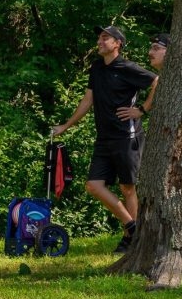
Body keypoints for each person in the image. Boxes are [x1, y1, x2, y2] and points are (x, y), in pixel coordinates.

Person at [52, 25, 157, 254]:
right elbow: (87, 100)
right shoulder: (97, 67)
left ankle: (130, 239)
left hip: (127, 136)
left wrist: (141, 110)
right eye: (99, 37)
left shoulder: (127, 67)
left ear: (117, 43)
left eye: (105, 38)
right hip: (104, 137)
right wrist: (66, 126)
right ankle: (133, 227)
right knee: (94, 185)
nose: (99, 41)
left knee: (127, 187)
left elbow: (156, 81)